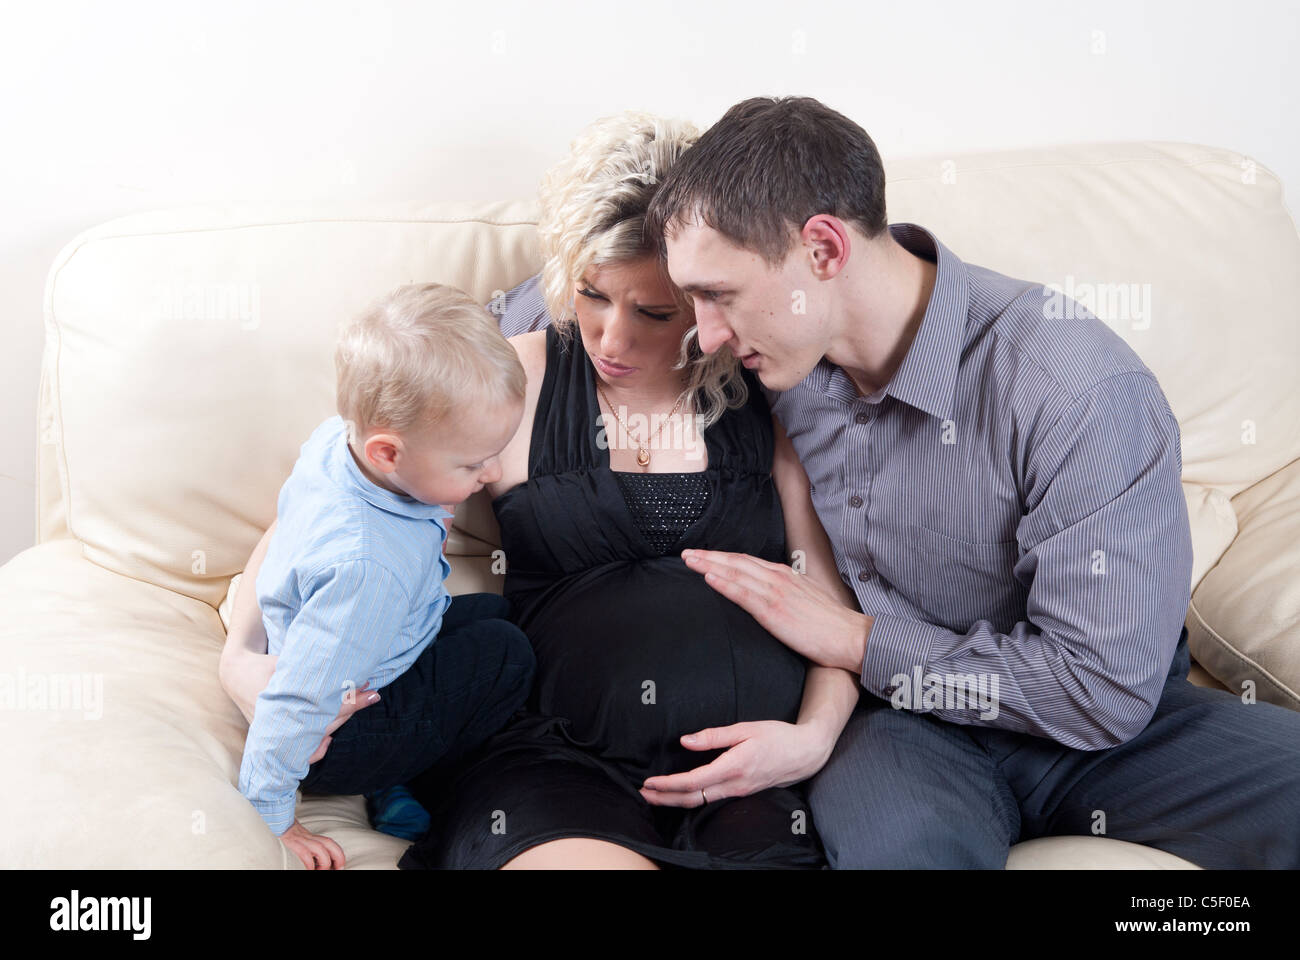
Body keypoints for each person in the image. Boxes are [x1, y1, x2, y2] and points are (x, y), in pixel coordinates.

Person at [642, 94, 1300, 868]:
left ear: (823, 250)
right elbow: (573, 314)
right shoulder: (782, 357)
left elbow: (1101, 692)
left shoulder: (1073, 385)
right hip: (906, 728)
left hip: (1103, 727)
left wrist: (859, 639)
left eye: (719, 294)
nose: (706, 332)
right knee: (906, 852)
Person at [389, 110, 863, 869]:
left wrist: (809, 740)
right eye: (591, 295)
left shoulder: (765, 398)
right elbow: (354, 495)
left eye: (652, 312)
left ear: (706, 299)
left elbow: (832, 612)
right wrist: (249, 662)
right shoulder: (520, 377)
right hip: (554, 767)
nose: (611, 339)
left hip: (747, 780)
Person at [220, 283, 535, 869]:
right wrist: (274, 819)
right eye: (471, 463)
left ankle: (404, 762)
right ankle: (403, 780)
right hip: (341, 736)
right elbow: (298, 704)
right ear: (389, 452)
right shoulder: (366, 572)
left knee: (493, 616)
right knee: (507, 656)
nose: (491, 472)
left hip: (374, 654)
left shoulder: (336, 443)